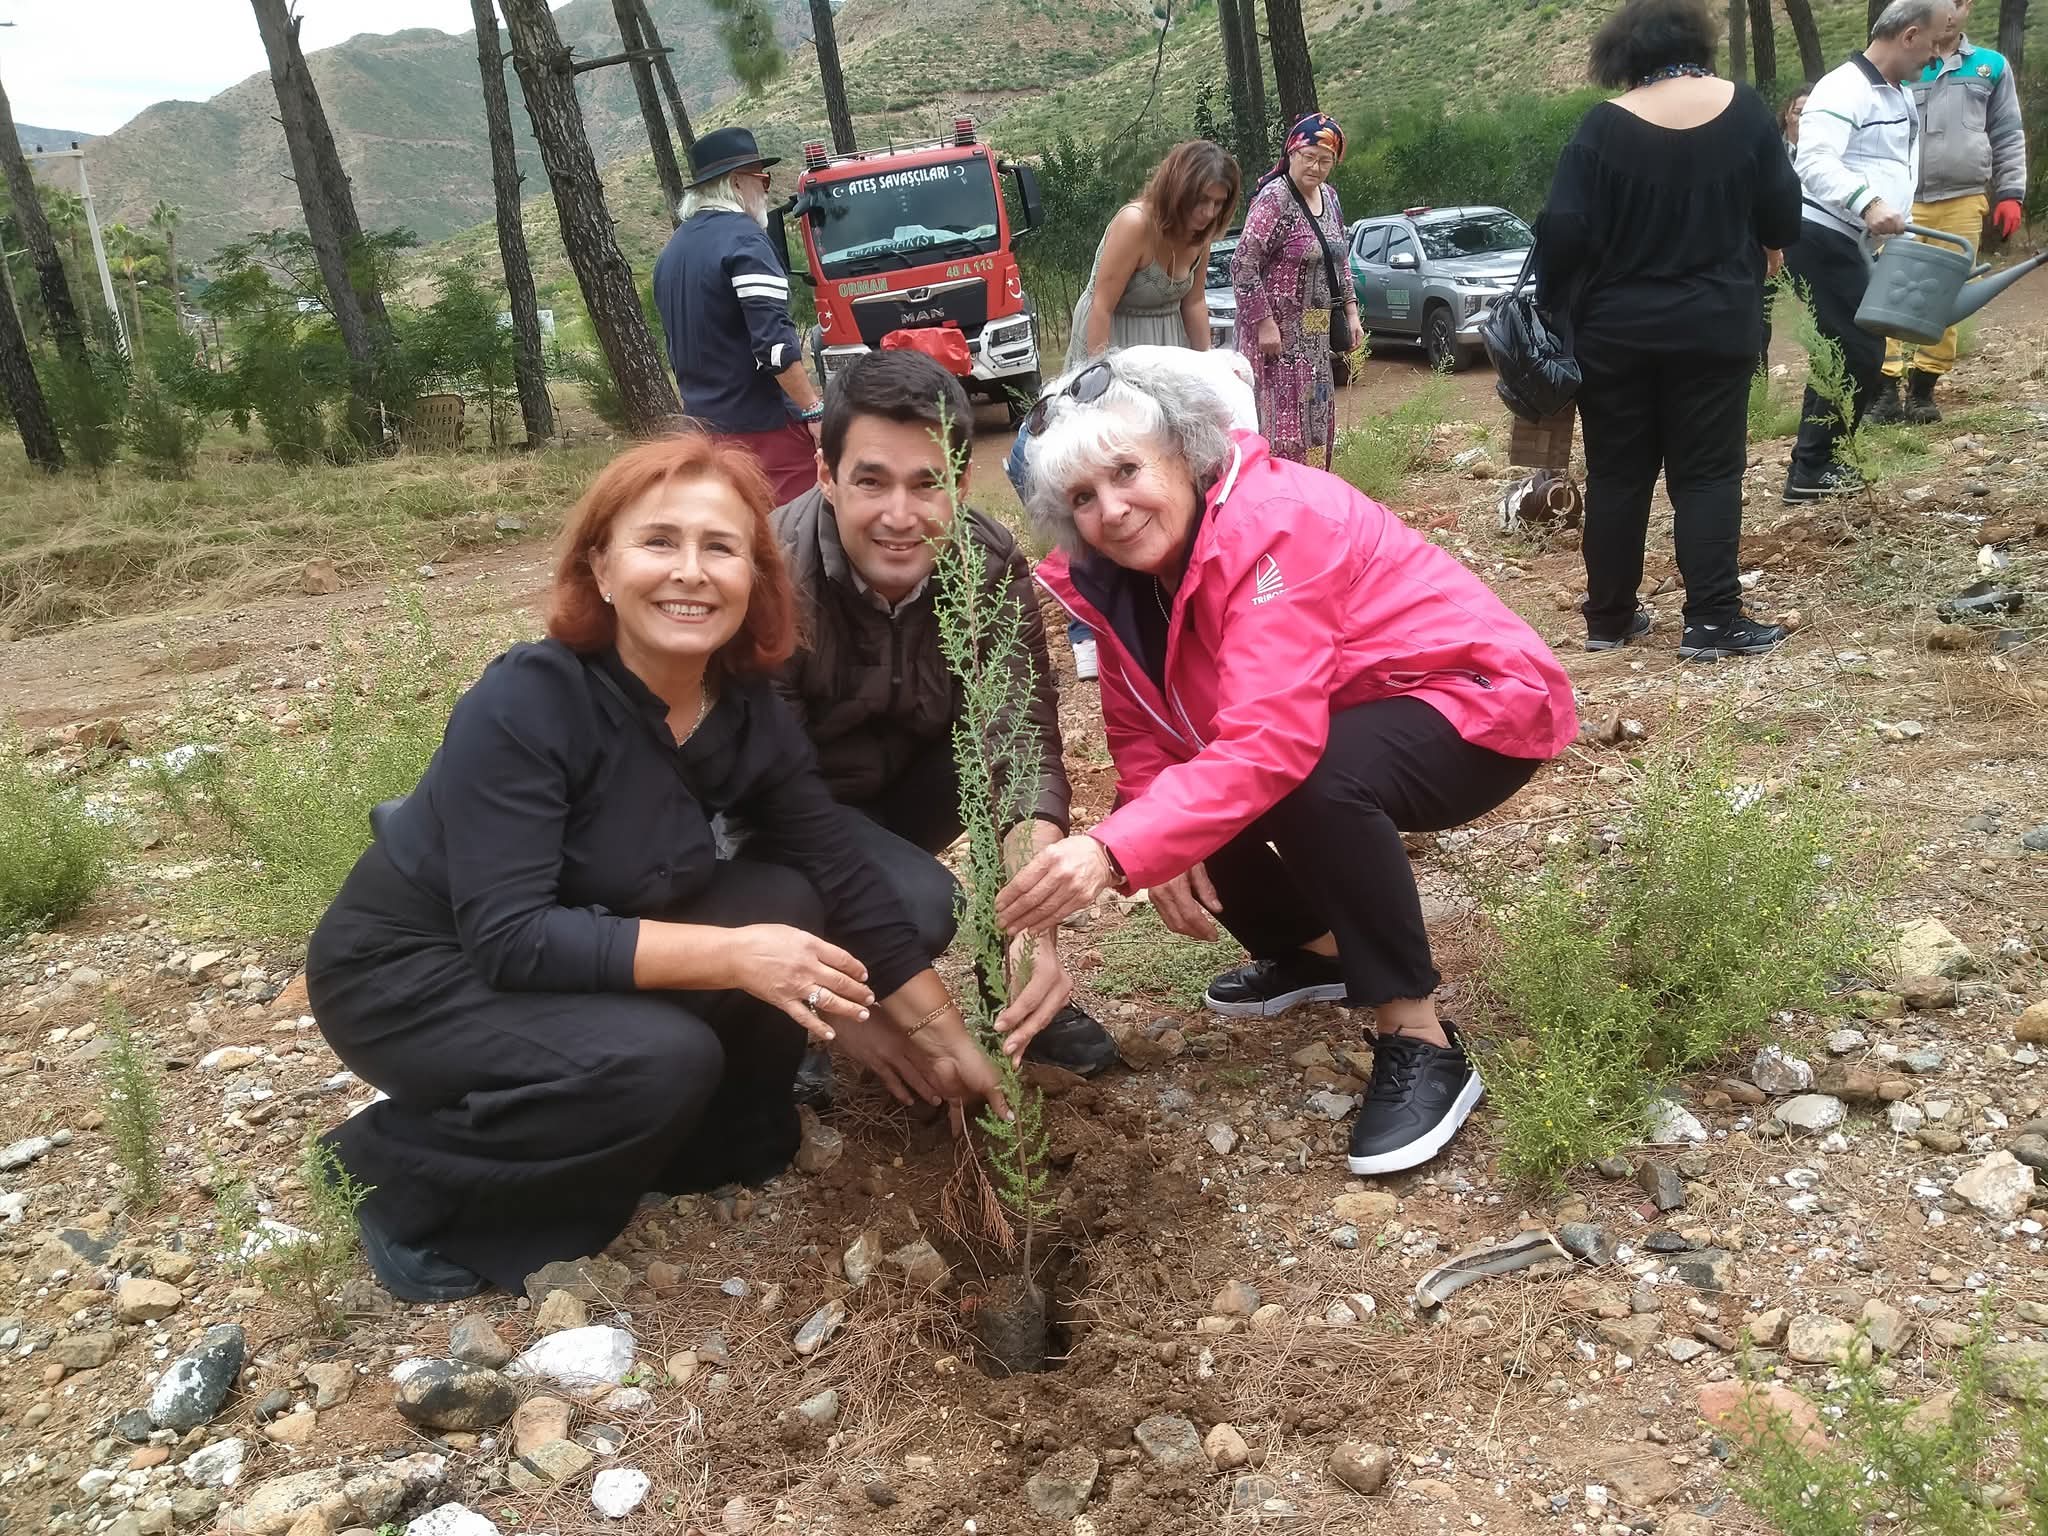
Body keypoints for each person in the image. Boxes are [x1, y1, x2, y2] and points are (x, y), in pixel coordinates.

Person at [306, 434, 1005, 1301]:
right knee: (654, 1059)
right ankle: (389, 1174)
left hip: (570, 938)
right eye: (658, 542)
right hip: (418, 971)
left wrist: (948, 1037)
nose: (690, 571)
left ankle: (696, 1145)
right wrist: (739, 958)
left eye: (720, 548)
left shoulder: (742, 702)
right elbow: (510, 938)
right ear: (600, 567)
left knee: (787, 899)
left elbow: (834, 862)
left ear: (755, 576)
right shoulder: (529, 699)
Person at [996, 352, 1579, 1176]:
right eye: (1083, 498)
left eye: (1127, 471)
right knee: (1182, 795)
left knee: (1297, 770)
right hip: (1343, 716)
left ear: (1186, 452)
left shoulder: (1272, 522)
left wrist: (1114, 849)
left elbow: (1273, 742)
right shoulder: (1122, 581)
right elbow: (1143, 728)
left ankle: (1420, 1035)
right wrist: (1146, 825)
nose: (1113, 511)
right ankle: (1313, 951)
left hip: (1477, 703)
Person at [772, 349, 1119, 1083]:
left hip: (899, 785)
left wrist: (1035, 921)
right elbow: (765, 800)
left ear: (961, 483)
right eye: (871, 481)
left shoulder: (987, 565)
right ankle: (808, 1009)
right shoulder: (770, 578)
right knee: (920, 907)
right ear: (826, 475)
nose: (900, 517)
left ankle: (1015, 995)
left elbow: (1022, 751)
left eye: (927, 483)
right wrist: (925, 1013)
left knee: (998, 786)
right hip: (777, 814)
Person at [1536, 0, 1803, 662]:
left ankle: (1609, 619)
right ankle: (1712, 623)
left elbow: (1563, 231)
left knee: (1618, 475)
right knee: (1708, 474)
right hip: (1715, 324)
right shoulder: (1744, 111)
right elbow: (1782, 212)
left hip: (1615, 334)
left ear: (1624, 55)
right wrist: (1767, 244)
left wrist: (1559, 304)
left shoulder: (1602, 127)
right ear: (1696, 42)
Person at [1061, 140, 1241, 681]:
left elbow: (1193, 301)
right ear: (1177, 189)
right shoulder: (1134, 224)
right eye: (1201, 201)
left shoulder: (1201, 234)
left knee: (1172, 474)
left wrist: (1209, 373)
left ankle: (1173, 601)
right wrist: (1095, 386)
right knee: (1104, 473)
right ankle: (1088, 627)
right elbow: (1101, 306)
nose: (1208, 213)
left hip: (1167, 354)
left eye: (1218, 203)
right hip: (1115, 350)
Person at [1783, 0, 1956, 502]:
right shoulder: (1845, 87)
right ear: (1907, 35)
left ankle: (1816, 466)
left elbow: (1887, 166)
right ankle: (1813, 468)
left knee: (1850, 350)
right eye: (1932, 42)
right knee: (1855, 349)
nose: (1936, 53)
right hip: (1822, 232)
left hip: (1855, 240)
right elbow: (1814, 160)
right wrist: (1870, 202)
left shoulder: (1896, 93)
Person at [1868, 0, 2028, 425]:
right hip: (1899, 202)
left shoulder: (1989, 66)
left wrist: (2012, 193)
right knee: (1887, 289)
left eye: (1958, 2)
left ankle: (1923, 390)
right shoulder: (1901, 61)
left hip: (1962, 197)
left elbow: (2009, 132)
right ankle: (1883, 389)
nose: (1951, 12)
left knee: (1946, 295)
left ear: (1968, 7)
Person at [653, 127, 824, 503]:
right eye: (762, 179)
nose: (766, 190)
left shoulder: (671, 253)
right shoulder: (745, 240)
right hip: (764, 430)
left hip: (702, 432)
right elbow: (774, 347)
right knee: (798, 531)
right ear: (736, 183)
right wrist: (814, 410)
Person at [1230, 114, 1362, 469]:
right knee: (1283, 429)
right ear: (1292, 152)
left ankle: (1314, 495)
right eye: (1309, 156)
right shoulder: (1274, 199)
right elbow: (1243, 264)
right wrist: (1263, 323)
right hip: (1278, 342)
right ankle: (1278, 505)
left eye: (1325, 160)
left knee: (1316, 420)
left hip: (1316, 339)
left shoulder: (1330, 199)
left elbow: (1340, 260)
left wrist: (1351, 312)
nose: (1316, 167)